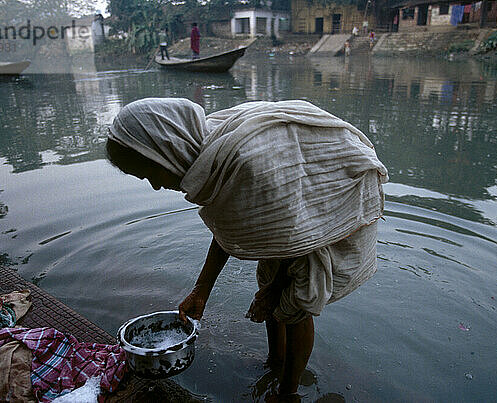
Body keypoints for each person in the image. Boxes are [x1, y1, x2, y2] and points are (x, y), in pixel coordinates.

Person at [106, 98, 388, 400]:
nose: (156, 187)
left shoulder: (242, 162)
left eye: (150, 175)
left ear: (163, 152)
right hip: (286, 209)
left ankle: (287, 393)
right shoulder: (205, 154)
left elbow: (294, 237)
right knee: (269, 284)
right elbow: (232, 225)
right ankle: (275, 361)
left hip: (329, 201)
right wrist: (202, 289)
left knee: (295, 303)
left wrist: (273, 291)